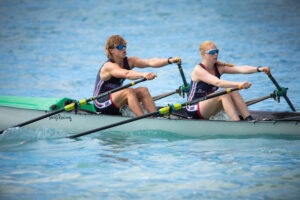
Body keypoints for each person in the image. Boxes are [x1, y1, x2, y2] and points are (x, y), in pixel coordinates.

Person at [93, 34, 181, 116]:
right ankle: (142, 119)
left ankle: (153, 118)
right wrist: (143, 75)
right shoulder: (109, 66)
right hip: (101, 102)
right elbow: (126, 73)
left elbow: (150, 62)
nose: (124, 49)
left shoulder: (130, 61)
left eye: (124, 46)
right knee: (128, 91)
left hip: (115, 99)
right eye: (120, 47)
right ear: (111, 50)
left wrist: (169, 60)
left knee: (143, 90)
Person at [186, 40, 270, 121]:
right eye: (212, 52)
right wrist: (239, 85)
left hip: (208, 104)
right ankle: (236, 122)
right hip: (194, 107)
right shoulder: (198, 70)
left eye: (217, 51)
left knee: (233, 91)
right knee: (224, 94)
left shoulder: (219, 67)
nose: (215, 54)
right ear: (203, 55)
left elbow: (241, 69)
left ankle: (248, 118)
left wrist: (259, 69)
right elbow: (218, 82)